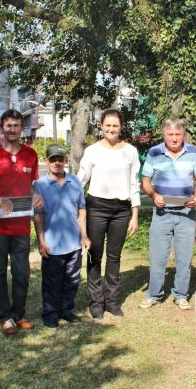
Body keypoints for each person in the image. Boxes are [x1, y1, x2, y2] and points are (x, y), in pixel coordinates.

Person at [0, 109, 39, 335]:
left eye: (16, 125)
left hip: (21, 225)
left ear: (22, 128)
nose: (12, 129)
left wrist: (37, 196)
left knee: (21, 272)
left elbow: (33, 186)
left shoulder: (30, 155)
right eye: (8, 125)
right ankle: (5, 316)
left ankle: (19, 314)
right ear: (2, 128)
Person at [76, 109, 141, 319]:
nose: (111, 129)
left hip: (121, 210)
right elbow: (81, 180)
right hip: (96, 208)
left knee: (114, 257)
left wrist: (134, 214)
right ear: (101, 126)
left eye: (115, 125)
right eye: (108, 125)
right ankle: (96, 302)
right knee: (95, 256)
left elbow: (134, 184)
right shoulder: (92, 151)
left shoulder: (130, 151)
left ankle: (112, 301)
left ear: (121, 127)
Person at [140, 119, 196, 310]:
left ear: (183, 135)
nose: (174, 138)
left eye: (178, 134)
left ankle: (181, 295)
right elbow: (145, 182)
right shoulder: (154, 152)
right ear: (164, 135)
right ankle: (154, 294)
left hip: (187, 212)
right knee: (158, 257)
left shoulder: (193, 151)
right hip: (162, 212)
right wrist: (154, 196)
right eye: (170, 135)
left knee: (184, 257)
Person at [34, 145, 91, 328]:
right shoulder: (40, 185)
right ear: (46, 161)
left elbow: (81, 210)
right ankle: (50, 313)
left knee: (72, 280)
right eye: (53, 159)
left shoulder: (75, 182)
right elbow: (38, 215)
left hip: (74, 243)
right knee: (52, 282)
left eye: (60, 159)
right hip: (52, 244)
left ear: (66, 160)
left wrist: (84, 236)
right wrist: (41, 241)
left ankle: (66, 310)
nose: (57, 162)